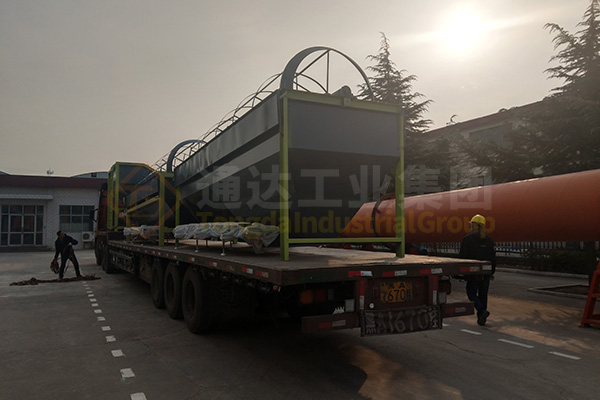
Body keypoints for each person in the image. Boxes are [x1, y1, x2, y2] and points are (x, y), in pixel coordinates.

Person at [459, 214, 496, 326]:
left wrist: (461, 271)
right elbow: (493, 258)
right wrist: (491, 271)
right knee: (483, 294)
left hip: (473, 271)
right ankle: (481, 317)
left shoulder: (468, 239)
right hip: (486, 272)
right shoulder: (489, 240)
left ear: (474, 225)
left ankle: (481, 310)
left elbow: (463, 256)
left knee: (471, 292)